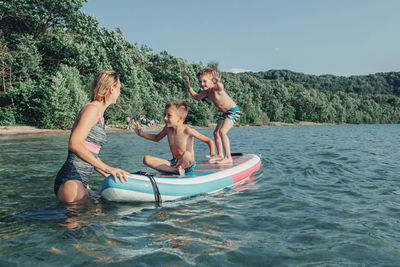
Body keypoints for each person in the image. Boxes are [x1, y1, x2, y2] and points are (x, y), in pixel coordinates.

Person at [54, 70, 130, 203]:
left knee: (100, 213)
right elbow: (75, 144)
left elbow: (90, 154)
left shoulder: (100, 115)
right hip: (71, 181)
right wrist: (108, 168)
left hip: (81, 181)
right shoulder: (92, 110)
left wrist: (108, 173)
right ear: (112, 89)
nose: (120, 92)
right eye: (120, 88)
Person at [133, 100, 215, 175]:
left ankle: (174, 169)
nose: (165, 118)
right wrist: (142, 134)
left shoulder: (188, 131)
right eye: (164, 115)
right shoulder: (168, 129)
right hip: (174, 163)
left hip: (188, 164)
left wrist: (212, 154)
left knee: (187, 154)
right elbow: (157, 138)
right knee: (146, 159)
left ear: (180, 118)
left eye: (169, 115)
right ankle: (175, 170)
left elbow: (209, 141)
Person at [184, 67, 241, 164]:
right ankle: (220, 154)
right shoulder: (206, 92)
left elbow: (221, 87)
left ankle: (228, 157)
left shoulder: (216, 88)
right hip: (225, 113)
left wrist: (218, 82)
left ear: (212, 81)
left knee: (222, 131)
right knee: (216, 133)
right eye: (200, 82)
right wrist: (189, 87)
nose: (202, 84)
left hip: (233, 111)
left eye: (205, 81)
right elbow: (197, 97)